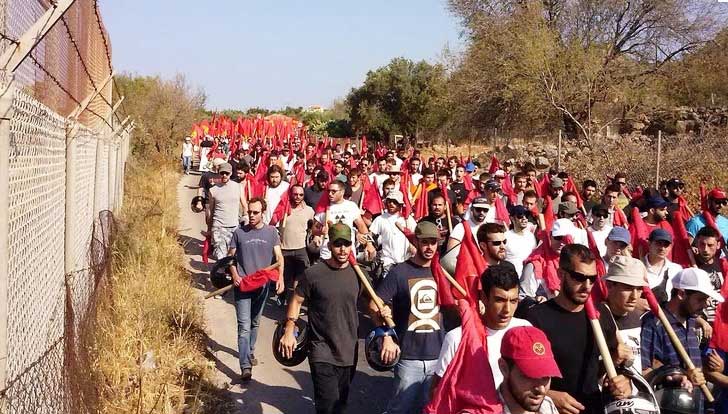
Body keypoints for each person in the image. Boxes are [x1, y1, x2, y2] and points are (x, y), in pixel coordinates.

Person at [527, 244, 630, 414]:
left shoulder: (601, 313)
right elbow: (518, 379)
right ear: (561, 274)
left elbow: (610, 367)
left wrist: (622, 381)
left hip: (595, 408)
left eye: (592, 279)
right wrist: (549, 396)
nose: (587, 286)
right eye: (579, 277)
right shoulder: (536, 318)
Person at [280, 224, 363, 414]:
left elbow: (374, 305)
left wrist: (381, 318)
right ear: (330, 244)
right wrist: (289, 329)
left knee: (340, 406)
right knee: (327, 404)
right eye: (337, 244)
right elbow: (297, 300)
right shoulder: (314, 274)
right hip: (321, 349)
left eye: (346, 244)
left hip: (349, 350)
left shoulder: (358, 275)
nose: (342, 249)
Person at [372, 221, 445, 414]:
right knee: (400, 410)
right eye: (425, 242)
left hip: (438, 357)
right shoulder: (399, 272)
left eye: (433, 242)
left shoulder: (442, 272)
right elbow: (374, 305)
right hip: (408, 357)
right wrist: (386, 335)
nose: (430, 247)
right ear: (416, 242)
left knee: (430, 410)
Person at [434, 263, 532, 389]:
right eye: (499, 300)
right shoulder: (457, 338)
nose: (507, 309)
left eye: (513, 301)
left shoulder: (526, 330)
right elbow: (438, 390)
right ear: (484, 298)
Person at [641, 268, 722, 412]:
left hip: (697, 406)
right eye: (700, 299)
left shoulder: (691, 320)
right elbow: (646, 371)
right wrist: (681, 375)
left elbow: (693, 365)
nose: (705, 305)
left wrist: (712, 367)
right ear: (681, 294)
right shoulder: (654, 323)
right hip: (668, 406)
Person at [228, 197, 284, 381]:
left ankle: (250, 351)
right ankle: (245, 365)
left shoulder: (271, 233)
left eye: (255, 212)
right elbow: (230, 259)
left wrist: (280, 277)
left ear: (263, 213)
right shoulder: (239, 233)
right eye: (249, 212)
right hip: (243, 286)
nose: (251, 216)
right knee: (243, 325)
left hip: (261, 286)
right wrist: (235, 275)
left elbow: (279, 258)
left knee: (255, 323)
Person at [498, 326, 562, 414]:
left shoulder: (546, 405)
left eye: (546, 376)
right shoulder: (483, 411)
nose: (541, 390)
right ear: (504, 368)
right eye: (529, 376)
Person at [603, 255, 650, 373]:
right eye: (628, 288)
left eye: (639, 289)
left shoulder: (636, 318)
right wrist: (612, 361)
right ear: (609, 285)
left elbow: (640, 368)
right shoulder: (597, 320)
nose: (635, 296)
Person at [313, 180, 374, 261]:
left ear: (342, 192)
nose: (330, 194)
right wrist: (320, 230)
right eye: (329, 191)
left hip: (347, 254)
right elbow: (314, 229)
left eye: (333, 191)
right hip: (327, 255)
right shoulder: (323, 206)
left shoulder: (351, 206)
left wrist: (369, 244)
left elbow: (362, 226)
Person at [521, 218, 578, 301]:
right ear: (550, 236)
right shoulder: (535, 265)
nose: (562, 242)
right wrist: (537, 300)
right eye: (558, 237)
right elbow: (522, 297)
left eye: (566, 238)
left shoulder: (576, 263)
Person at [278, 184, 315, 302]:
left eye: (301, 195)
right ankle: (282, 295)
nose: (298, 197)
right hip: (284, 249)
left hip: (301, 249)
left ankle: (294, 302)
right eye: (295, 194)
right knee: (284, 277)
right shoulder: (283, 208)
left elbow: (313, 228)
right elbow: (273, 222)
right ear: (290, 194)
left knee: (301, 278)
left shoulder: (309, 211)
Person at [369, 190, 417, 277]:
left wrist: (413, 247)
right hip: (387, 261)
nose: (391, 204)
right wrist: (369, 244)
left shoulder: (407, 219)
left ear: (400, 204)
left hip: (405, 260)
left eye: (395, 202)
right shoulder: (380, 219)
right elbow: (370, 234)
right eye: (389, 201)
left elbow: (417, 234)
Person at [206, 162, 244, 260]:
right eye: (222, 173)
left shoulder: (238, 187)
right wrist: (209, 229)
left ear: (231, 173)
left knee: (232, 256)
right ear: (219, 173)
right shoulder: (213, 190)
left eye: (227, 173)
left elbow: (244, 204)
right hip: (218, 226)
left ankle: (228, 274)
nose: (224, 175)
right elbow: (211, 210)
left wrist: (246, 218)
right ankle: (220, 274)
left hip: (234, 226)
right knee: (221, 256)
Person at [692, 225, 725, 324]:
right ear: (697, 244)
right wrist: (700, 321)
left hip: (721, 322)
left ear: (718, 245)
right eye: (702, 244)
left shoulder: (723, 266)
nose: (705, 249)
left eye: (710, 245)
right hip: (701, 323)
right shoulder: (690, 266)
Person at [642, 228, 682, 304]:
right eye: (658, 243)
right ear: (649, 244)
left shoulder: (676, 269)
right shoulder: (638, 267)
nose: (662, 248)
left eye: (666, 245)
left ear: (670, 247)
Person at [505, 205, 537, 276]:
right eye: (520, 216)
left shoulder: (530, 236)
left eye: (526, 216)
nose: (524, 219)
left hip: (528, 280)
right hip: (511, 279)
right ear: (512, 218)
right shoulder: (505, 236)